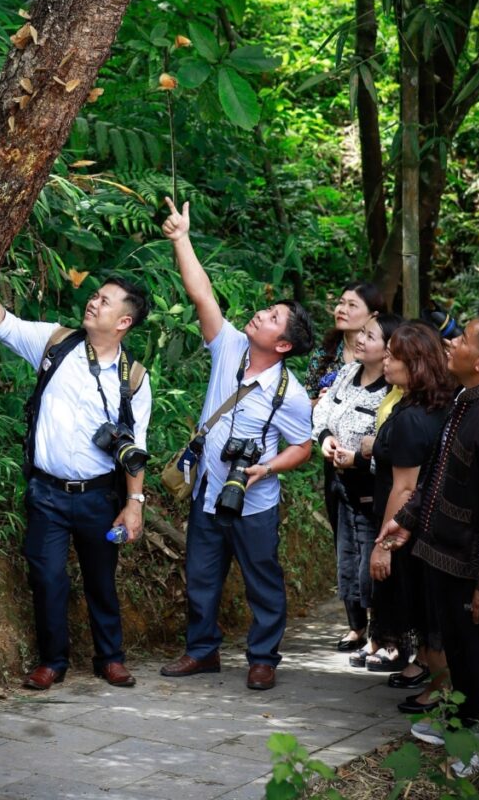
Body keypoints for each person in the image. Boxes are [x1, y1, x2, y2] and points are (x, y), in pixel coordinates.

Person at [0, 236, 151, 690]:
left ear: (124, 321)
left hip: (98, 495)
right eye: (95, 296)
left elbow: (136, 447)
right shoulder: (57, 342)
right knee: (47, 578)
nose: (93, 302)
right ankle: (53, 661)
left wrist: (135, 504)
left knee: (100, 580)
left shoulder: (134, 378)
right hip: (47, 492)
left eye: (104, 301)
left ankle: (111, 657)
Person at [159, 199, 314, 690]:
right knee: (201, 575)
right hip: (209, 489)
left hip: (254, 500)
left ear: (283, 344)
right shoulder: (229, 346)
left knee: (261, 579)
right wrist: (182, 237)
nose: (260, 315)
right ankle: (202, 651)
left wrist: (266, 469)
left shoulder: (291, 394)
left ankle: (263, 657)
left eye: (271, 317)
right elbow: (201, 294)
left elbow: (303, 447)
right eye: (266, 310)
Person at [378, 308, 479, 747]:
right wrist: (406, 521)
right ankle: (461, 727)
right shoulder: (465, 402)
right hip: (443, 555)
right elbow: (439, 475)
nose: (452, 344)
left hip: (473, 568)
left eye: (462, 340)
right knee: (460, 655)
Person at [360, 323, 454, 709]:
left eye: (394, 356)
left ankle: (442, 689)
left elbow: (404, 488)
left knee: (420, 609)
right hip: (424, 527)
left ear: (415, 365)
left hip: (409, 530)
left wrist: (383, 545)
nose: (386, 359)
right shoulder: (426, 403)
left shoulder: (414, 417)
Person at [313, 313, 401, 653]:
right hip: (337, 481)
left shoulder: (393, 391)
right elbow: (322, 410)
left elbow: (390, 444)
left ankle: (382, 633)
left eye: (371, 336)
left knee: (370, 558)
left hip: (370, 486)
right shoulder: (348, 373)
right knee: (345, 553)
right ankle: (356, 627)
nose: (361, 339)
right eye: (362, 333)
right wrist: (324, 438)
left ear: (389, 349)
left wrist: (359, 458)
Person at [303, 282, 385, 543]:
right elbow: (309, 401)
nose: (341, 309)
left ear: (373, 315)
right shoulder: (325, 354)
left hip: (370, 467)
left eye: (352, 305)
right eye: (340, 303)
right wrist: (323, 405)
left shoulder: (386, 359)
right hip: (333, 457)